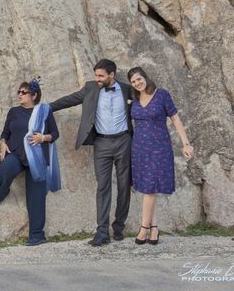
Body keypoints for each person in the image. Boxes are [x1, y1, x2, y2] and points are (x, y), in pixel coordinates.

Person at [50, 59, 132, 246]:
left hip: (123, 141)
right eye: (96, 75)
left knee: (123, 185)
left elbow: (145, 101)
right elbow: (69, 100)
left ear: (112, 74)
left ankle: (119, 226)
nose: (97, 78)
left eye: (101, 75)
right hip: (101, 143)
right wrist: (47, 107)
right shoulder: (91, 88)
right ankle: (102, 231)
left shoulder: (127, 90)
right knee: (102, 186)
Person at [0, 79, 60, 246]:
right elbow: (5, 132)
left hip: (37, 157)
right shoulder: (14, 111)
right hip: (16, 153)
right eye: (18, 92)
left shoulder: (44, 111)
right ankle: (3, 190)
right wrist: (3, 143)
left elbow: (55, 134)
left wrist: (43, 137)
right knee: (5, 168)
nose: (19, 95)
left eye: (23, 92)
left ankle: (37, 234)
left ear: (34, 95)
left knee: (36, 197)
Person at [127, 67, 194, 245]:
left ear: (145, 77)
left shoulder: (162, 94)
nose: (137, 83)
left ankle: (143, 228)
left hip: (159, 148)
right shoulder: (134, 100)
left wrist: (186, 143)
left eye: (138, 79)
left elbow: (175, 119)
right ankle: (154, 228)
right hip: (139, 149)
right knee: (150, 189)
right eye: (133, 82)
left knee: (149, 189)